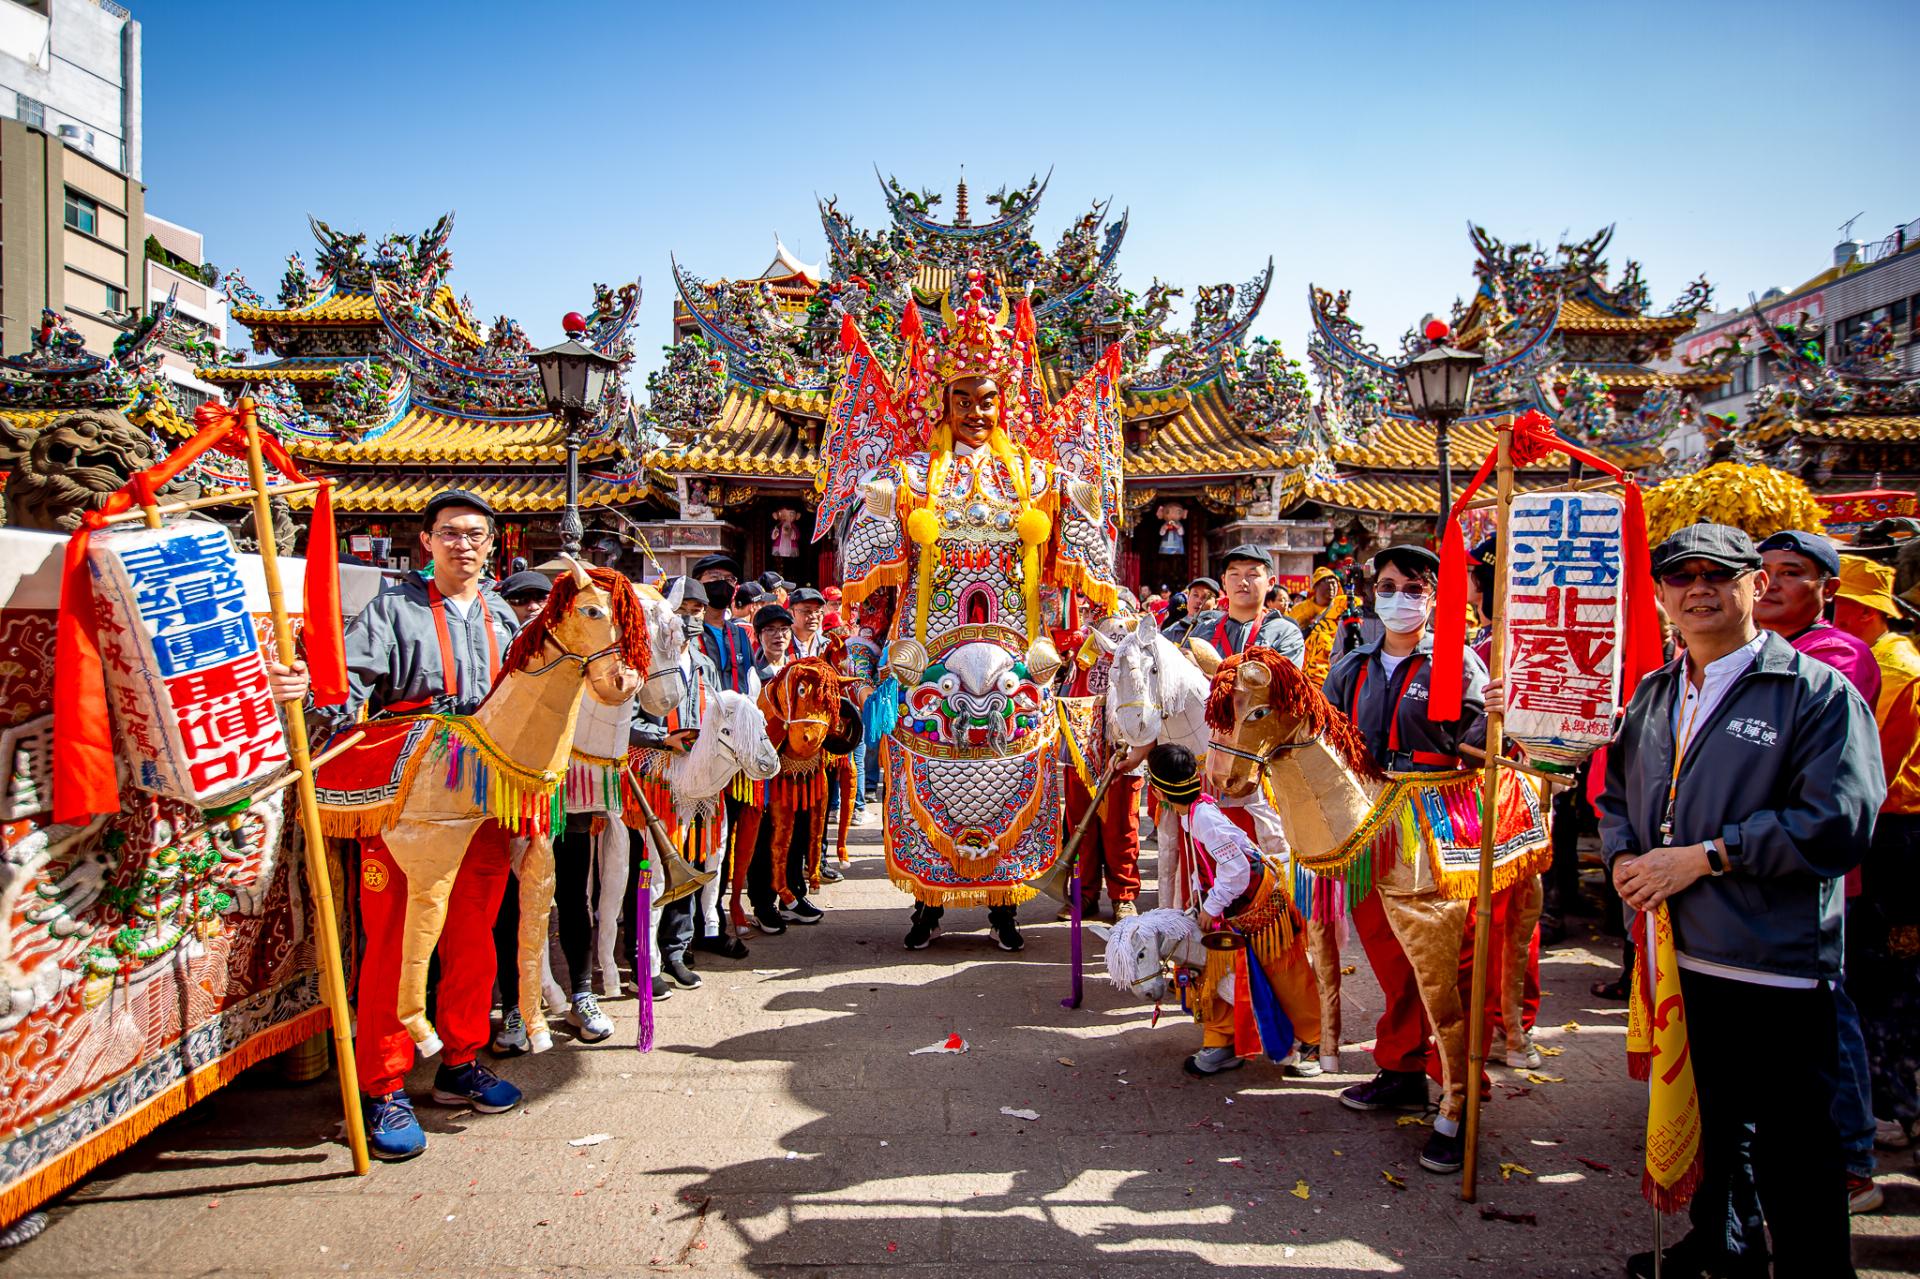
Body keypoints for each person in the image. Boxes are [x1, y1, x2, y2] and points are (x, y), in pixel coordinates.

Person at [1602, 524, 1880, 1279]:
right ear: (1660, 595)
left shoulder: (1817, 692)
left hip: (1773, 962)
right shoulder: (1657, 692)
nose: (1699, 590)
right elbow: (1617, 793)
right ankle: (1718, 1246)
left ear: (1753, 584)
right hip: (1675, 956)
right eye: (1680, 577)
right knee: (1710, 1125)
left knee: (1799, 1146)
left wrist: (1707, 856)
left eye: (1718, 575)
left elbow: (1838, 820)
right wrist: (1625, 856)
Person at [834, 278, 1123, 953]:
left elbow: (1088, 566)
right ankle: (931, 902)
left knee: (1013, 778)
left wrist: (1094, 636)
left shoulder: (1040, 479)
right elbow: (871, 587)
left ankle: (1004, 905)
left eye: (986, 399)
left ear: (1006, 402)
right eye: (960, 398)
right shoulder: (906, 479)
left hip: (1019, 669)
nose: (974, 411)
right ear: (941, 401)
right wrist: (859, 655)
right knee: (931, 774)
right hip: (926, 669)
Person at [315, 489, 524, 1161]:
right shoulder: (393, 608)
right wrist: (320, 700)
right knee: (396, 945)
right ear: (426, 541)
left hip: (482, 798)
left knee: (473, 937)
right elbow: (347, 685)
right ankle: (382, 1084)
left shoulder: (502, 614)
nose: (464, 544)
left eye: (476, 533)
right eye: (450, 533)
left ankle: (460, 1061)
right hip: (409, 796)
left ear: (492, 544)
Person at [1324, 543, 1488, 1175]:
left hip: (1438, 821)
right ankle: (1399, 1067)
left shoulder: (1459, 663)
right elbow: (1331, 736)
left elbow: (1479, 743)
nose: (1399, 598)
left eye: (1414, 588)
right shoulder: (1352, 666)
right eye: (1388, 585)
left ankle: (1461, 1095)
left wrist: (1492, 720)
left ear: (1434, 599)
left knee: (1443, 964)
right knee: (1388, 953)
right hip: (1370, 820)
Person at [1753, 529, 1883, 1211]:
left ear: (1826, 590)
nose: (1770, 582)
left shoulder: (1835, 658)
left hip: (1807, 875)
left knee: (1827, 1013)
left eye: (1791, 572)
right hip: (1743, 876)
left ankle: (1854, 1160)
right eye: (1762, 569)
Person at [1143, 743, 1323, 1076]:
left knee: (1284, 974)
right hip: (1228, 907)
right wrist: (1199, 897)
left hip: (1258, 907)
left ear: (1158, 789)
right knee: (1211, 971)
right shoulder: (1192, 814)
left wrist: (1211, 906)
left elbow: (1237, 868)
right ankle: (1222, 1042)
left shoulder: (1204, 818)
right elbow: (1212, 863)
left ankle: (1314, 1041)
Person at [1832, 555, 1920, 1176]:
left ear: (1862, 611)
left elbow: (1866, 765)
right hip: (1887, 828)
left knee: (1879, 978)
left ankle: (1890, 1109)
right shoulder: (1885, 658)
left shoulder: (1888, 667)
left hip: (1895, 833)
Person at [651, 577, 729, 987]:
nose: (691, 619)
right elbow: (630, 722)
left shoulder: (704, 664)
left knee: (695, 860)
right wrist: (661, 739)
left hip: (699, 779)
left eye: (697, 611)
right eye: (683, 611)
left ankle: (676, 950)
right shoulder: (647, 660)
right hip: (658, 777)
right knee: (655, 868)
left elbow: (718, 712)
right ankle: (644, 956)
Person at [1180, 547, 1305, 663]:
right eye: (1234, 574)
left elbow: (1277, 685)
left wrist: (1208, 666)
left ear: (1270, 583)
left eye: (1252, 575)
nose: (1242, 582)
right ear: (1224, 581)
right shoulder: (1202, 631)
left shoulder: (1285, 634)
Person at [1289, 565, 1349, 688]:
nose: (1332, 587)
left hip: (1333, 666)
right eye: (1327, 582)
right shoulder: (1301, 609)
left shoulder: (1343, 604)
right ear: (1316, 586)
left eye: (1335, 583)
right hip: (1307, 668)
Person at [1161, 576, 1219, 644]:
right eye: (1195, 595)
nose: (1198, 601)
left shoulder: (1222, 629)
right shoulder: (1169, 633)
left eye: (1206, 597)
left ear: (1216, 603)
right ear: (1188, 597)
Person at [789, 587, 830, 658]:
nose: (813, 616)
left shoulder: (828, 647)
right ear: (792, 613)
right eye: (807, 611)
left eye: (817, 611)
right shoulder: (780, 648)